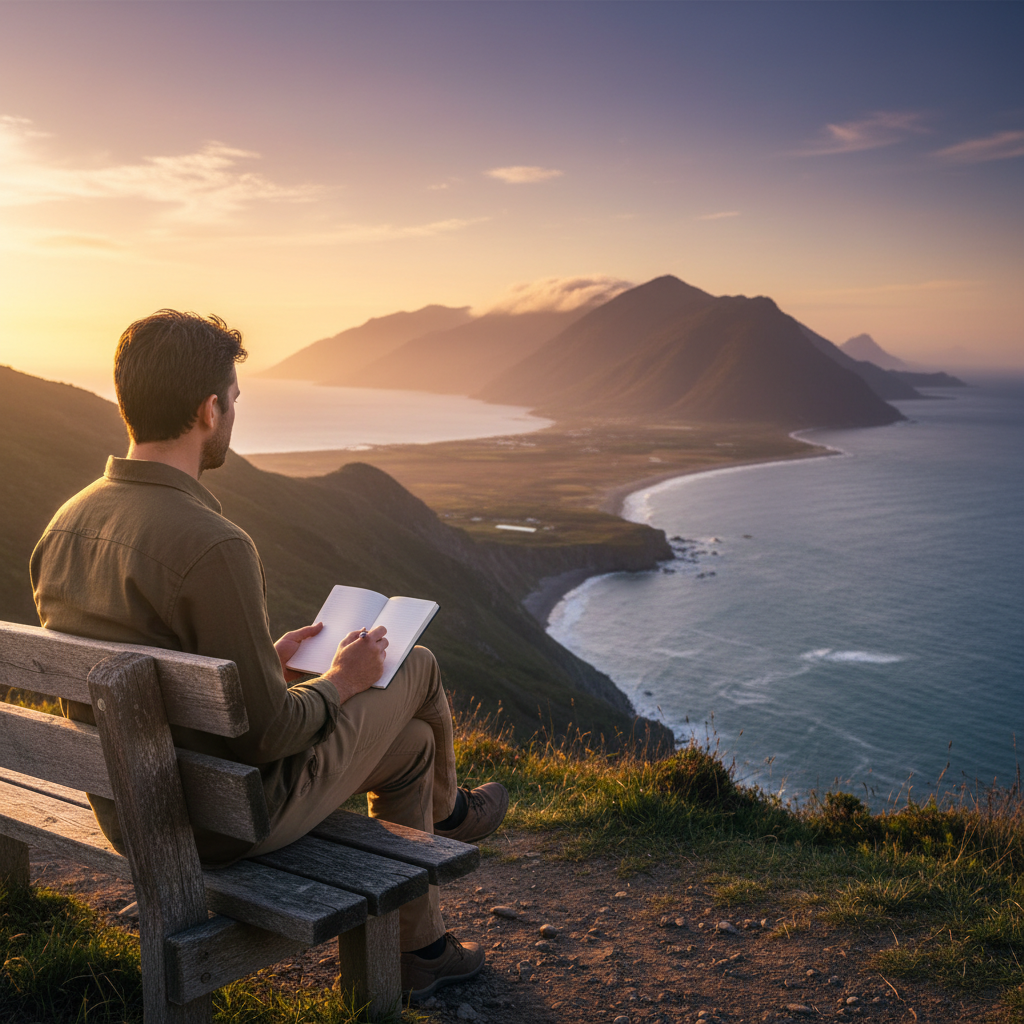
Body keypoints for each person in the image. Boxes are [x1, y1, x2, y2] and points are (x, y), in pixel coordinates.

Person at [30, 309, 508, 1001]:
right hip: (222, 821)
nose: (233, 414)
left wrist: (267, 667)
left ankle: (422, 948)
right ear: (208, 408)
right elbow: (266, 737)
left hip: (129, 807)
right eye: (235, 400)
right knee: (417, 664)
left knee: (405, 745)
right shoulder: (214, 543)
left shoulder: (64, 525)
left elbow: (164, 676)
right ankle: (456, 814)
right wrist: (342, 681)